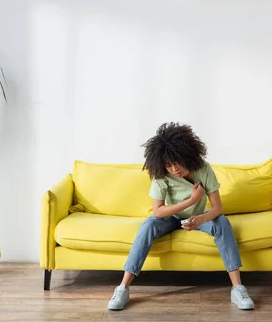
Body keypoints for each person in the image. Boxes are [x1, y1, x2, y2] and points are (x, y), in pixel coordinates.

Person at [107, 122, 254, 311]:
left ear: (187, 155)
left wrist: (200, 219)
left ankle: (238, 289)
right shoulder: (161, 175)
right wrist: (192, 200)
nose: (174, 169)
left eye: (177, 162)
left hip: (199, 218)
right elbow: (158, 211)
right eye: (168, 165)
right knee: (148, 225)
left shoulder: (203, 169)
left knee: (222, 223)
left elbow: (217, 208)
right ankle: (123, 288)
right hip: (171, 217)